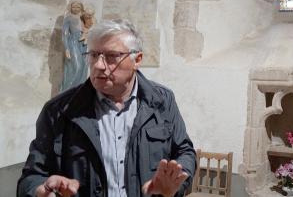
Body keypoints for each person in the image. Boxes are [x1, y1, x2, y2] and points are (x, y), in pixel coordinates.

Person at [18, 19, 196, 197]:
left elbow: (185, 152)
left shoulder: (162, 101)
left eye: (111, 56)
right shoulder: (58, 110)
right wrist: (42, 192)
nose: (98, 65)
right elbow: (31, 178)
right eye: (93, 55)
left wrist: (173, 188)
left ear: (137, 59)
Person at [60, 0, 89, 92]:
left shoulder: (84, 18)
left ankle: (78, 92)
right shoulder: (68, 18)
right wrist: (67, 49)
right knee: (77, 67)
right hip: (73, 43)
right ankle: (67, 92)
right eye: (74, 7)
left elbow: (90, 28)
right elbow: (64, 34)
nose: (76, 9)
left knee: (83, 68)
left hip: (83, 44)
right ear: (70, 7)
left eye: (78, 7)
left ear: (81, 7)